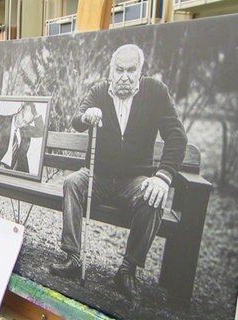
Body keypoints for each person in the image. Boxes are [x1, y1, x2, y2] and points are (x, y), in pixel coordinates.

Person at [49, 44, 188, 300]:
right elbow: (76, 120)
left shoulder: (156, 92)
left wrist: (163, 176)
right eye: (119, 69)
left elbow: (177, 137)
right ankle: (73, 257)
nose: (124, 76)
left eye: (131, 70)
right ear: (111, 69)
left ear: (140, 71)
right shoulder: (99, 91)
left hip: (134, 180)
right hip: (98, 176)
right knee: (72, 183)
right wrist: (87, 116)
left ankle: (127, 270)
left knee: (154, 197)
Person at [0, 101, 45, 173]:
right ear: (20, 109)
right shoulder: (1, 121)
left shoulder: (25, 130)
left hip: (16, 171)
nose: (21, 122)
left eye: (25, 122)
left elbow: (41, 132)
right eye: (22, 116)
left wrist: (36, 114)